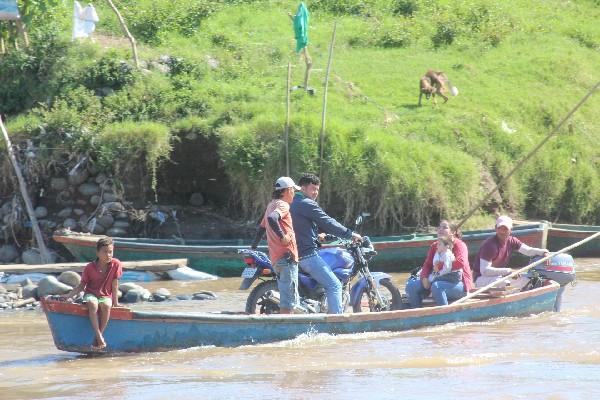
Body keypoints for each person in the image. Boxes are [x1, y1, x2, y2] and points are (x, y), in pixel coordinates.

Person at [290, 173, 362, 314]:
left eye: (317, 189)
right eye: (312, 189)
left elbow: (299, 228)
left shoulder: (292, 202)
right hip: (307, 255)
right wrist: (350, 234)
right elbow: (328, 222)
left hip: (295, 252)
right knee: (334, 285)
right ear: (302, 188)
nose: (315, 192)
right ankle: (337, 323)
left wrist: (316, 236)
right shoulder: (307, 203)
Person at [61, 236, 122, 350]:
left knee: (106, 305)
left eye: (110, 252)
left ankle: (97, 338)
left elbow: (115, 285)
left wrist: (116, 303)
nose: (108, 255)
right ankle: (99, 336)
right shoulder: (89, 267)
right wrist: (69, 295)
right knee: (93, 304)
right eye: (105, 252)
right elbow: (81, 286)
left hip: (105, 296)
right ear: (97, 253)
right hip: (91, 294)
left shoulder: (116, 264)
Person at [251, 176, 300, 314]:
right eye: (293, 191)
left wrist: (253, 246)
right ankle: (287, 329)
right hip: (287, 258)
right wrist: (282, 236)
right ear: (287, 190)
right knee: (289, 300)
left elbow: (262, 228)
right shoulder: (283, 205)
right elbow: (273, 219)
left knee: (286, 296)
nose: (294, 194)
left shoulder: (270, 205)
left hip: (276, 258)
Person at [405, 220, 473, 307]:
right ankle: (416, 314)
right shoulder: (435, 246)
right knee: (412, 286)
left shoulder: (460, 245)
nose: (440, 230)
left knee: (437, 287)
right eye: (439, 227)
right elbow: (427, 265)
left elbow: (461, 262)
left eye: (444, 227)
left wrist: (438, 266)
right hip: (437, 279)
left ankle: (445, 315)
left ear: (453, 232)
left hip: (458, 284)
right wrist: (424, 277)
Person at [474, 215, 549, 289]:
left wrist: (543, 252)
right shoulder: (489, 245)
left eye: (505, 229)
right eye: (500, 228)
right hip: (481, 279)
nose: (502, 231)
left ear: (511, 229)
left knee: (526, 281)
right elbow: (484, 271)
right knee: (505, 283)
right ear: (495, 228)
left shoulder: (512, 241)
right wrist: (509, 271)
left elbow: (528, 251)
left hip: (499, 276)